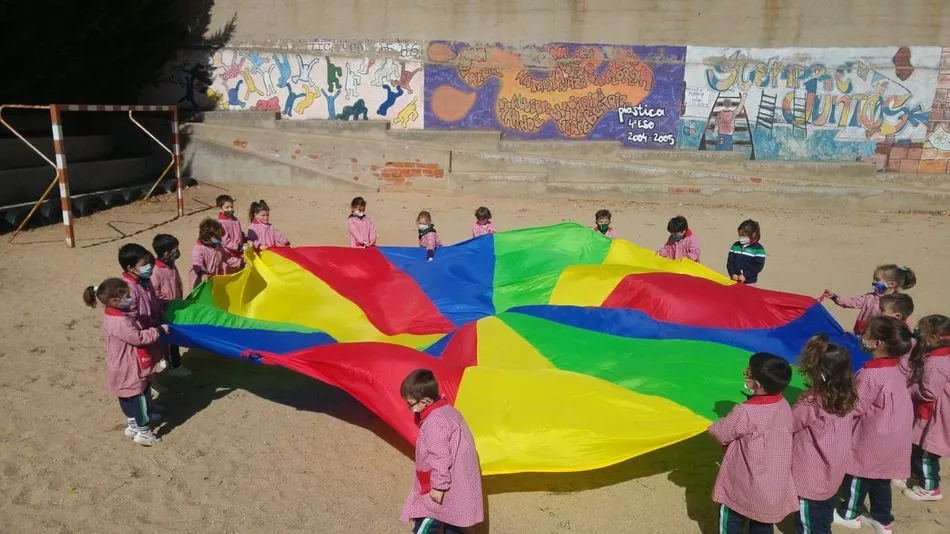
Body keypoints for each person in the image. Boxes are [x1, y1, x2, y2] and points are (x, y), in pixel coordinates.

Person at [834, 316, 914, 532]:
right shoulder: (898, 368)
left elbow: (855, 406)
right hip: (895, 433)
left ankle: (849, 513)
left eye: (866, 334)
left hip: (875, 435)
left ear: (877, 343)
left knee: (859, 473)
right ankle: (882, 518)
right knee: (881, 478)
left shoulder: (871, 375)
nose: (862, 337)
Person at [708, 352, 798, 533]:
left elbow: (720, 432)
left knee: (731, 517)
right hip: (773, 483)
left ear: (758, 384)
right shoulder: (784, 404)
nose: (746, 375)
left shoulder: (745, 411)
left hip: (743, 482)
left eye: (748, 373)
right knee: (762, 523)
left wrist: (713, 424)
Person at [82, 278, 167, 446]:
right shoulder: (120, 321)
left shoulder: (114, 314)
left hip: (120, 363)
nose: (131, 298)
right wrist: (158, 331)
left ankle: (134, 424)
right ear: (115, 301)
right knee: (138, 395)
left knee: (127, 395)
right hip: (129, 365)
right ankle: (144, 430)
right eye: (127, 296)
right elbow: (138, 338)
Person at [399, 369, 483, 533]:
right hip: (459, 481)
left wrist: (438, 487)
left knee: (427, 519)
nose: (409, 408)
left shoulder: (434, 422)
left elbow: (440, 457)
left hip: (440, 485)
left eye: (410, 404)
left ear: (426, 401)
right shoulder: (447, 410)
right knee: (454, 520)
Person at [791, 334, 858, 534]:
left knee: (808, 523)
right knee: (823, 513)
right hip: (832, 473)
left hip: (808, 478)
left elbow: (788, 425)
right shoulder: (850, 397)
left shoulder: (810, 404)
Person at [902, 315, 950, 501]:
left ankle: (931, 487)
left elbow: (929, 392)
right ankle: (917, 474)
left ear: (933, 338)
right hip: (937, 410)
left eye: (920, 333)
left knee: (928, 449)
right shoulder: (943, 354)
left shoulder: (935, 362)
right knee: (921, 445)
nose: (917, 335)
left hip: (936, 412)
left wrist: (910, 389)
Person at [824, 265, 917, 335]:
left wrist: (908, 334)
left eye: (877, 279)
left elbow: (902, 321)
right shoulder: (869, 297)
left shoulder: (897, 302)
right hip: (862, 333)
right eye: (873, 279)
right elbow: (852, 302)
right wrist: (835, 298)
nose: (873, 282)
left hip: (881, 336)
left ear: (891, 284)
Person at [152, 233, 190, 377]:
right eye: (175, 249)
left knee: (174, 339)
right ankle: (173, 365)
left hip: (174, 309)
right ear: (166, 253)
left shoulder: (171, 265)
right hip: (164, 312)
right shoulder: (155, 272)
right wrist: (168, 304)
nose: (177, 251)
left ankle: (175, 364)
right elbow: (155, 294)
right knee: (167, 342)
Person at [190, 218, 243, 290]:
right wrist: (202, 274)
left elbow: (227, 258)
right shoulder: (198, 249)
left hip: (215, 278)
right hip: (201, 282)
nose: (220, 238)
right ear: (207, 237)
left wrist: (240, 263)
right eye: (217, 237)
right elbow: (197, 264)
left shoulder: (218, 245)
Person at [726, 219, 766, 286]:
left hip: (749, 282)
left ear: (753, 235)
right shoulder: (735, 246)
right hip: (734, 280)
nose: (741, 238)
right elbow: (730, 262)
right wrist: (732, 274)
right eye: (740, 236)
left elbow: (757, 266)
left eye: (743, 236)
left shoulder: (758, 249)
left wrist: (745, 275)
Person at [216, 194, 246, 271]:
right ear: (220, 209)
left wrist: (244, 238)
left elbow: (238, 232)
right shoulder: (220, 224)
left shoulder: (235, 219)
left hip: (239, 252)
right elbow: (225, 241)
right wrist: (237, 247)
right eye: (227, 207)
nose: (230, 209)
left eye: (231, 207)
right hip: (229, 255)